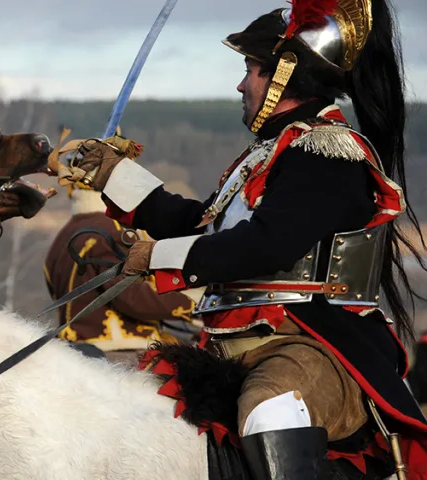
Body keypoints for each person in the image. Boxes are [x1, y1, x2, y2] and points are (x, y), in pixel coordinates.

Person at [57, 0, 427, 476]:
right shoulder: (270, 154)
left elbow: (266, 245)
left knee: (268, 411)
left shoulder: (328, 152)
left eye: (251, 68)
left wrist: (157, 257)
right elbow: (202, 224)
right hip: (228, 345)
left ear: (285, 76)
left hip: (311, 345)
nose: (240, 83)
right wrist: (114, 175)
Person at [44, 155, 199, 368]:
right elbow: (130, 295)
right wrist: (192, 304)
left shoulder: (63, 236)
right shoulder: (112, 231)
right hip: (117, 351)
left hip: (72, 349)